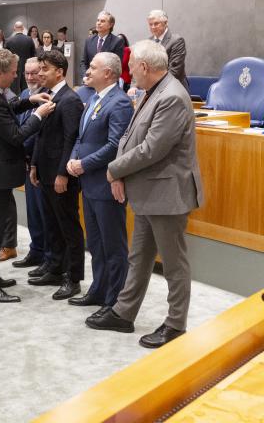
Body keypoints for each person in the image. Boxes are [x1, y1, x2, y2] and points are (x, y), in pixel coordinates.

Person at [87, 41, 203, 349]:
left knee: (174, 264)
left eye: (132, 66)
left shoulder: (172, 96)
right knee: (138, 257)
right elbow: (130, 136)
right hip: (150, 191)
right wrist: (121, 169)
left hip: (167, 193)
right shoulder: (156, 91)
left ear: (145, 67)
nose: (130, 72)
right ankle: (124, 312)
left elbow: (153, 148)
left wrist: (114, 169)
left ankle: (176, 325)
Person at [0, 49, 55, 303]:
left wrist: (29, 101)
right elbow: (16, 135)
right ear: (0, 73)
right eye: (12, 72)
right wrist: (38, 116)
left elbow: (8, 107)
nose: (16, 76)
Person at [66, 52, 133, 310]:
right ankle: (99, 290)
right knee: (95, 243)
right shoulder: (93, 97)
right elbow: (81, 138)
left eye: (93, 67)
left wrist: (83, 164)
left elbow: (115, 145)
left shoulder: (120, 103)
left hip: (106, 184)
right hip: (89, 183)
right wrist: (73, 158)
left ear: (108, 73)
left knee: (113, 246)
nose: (87, 70)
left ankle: (115, 301)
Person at [28, 49, 85, 301]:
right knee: (52, 224)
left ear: (59, 71)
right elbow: (42, 135)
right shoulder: (49, 96)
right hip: (46, 171)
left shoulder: (70, 100)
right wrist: (34, 165)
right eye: (39, 69)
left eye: (45, 69)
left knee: (68, 227)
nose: (40, 73)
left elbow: (70, 140)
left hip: (61, 175)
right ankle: (55, 267)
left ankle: (73, 278)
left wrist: (63, 173)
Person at [11, 58, 50, 270]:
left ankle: (46, 255)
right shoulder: (25, 95)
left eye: (34, 73)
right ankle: (36, 251)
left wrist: (22, 149)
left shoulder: (48, 96)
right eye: (26, 73)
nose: (29, 77)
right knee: (32, 211)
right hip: (25, 161)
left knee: (43, 211)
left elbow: (39, 133)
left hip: (38, 162)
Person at [146, 10, 188, 89]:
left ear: (165, 23)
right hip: (153, 88)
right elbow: (142, 65)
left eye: (156, 23)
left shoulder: (177, 41)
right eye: (150, 24)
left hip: (173, 88)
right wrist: (134, 86)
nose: (153, 27)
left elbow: (175, 70)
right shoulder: (148, 42)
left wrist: (155, 84)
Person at [6, 21, 36, 94]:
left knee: (14, 91)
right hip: (27, 69)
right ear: (23, 28)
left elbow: (6, 57)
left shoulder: (9, 40)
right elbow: (34, 55)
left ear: (14, 28)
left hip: (13, 69)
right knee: (26, 92)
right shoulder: (29, 39)